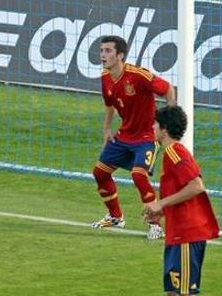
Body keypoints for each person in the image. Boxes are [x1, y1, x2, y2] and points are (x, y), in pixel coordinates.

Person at [91, 35, 175, 240]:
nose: (103, 55)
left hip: (147, 136)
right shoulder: (105, 78)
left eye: (108, 51)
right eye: (102, 51)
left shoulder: (138, 76)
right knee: (100, 173)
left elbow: (168, 89)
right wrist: (107, 129)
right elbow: (110, 104)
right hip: (123, 136)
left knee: (138, 175)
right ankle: (115, 217)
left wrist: (169, 123)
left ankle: (155, 225)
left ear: (120, 55)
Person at [143, 105, 218, 296]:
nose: (152, 127)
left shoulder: (175, 152)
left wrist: (160, 203)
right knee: (173, 292)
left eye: (155, 123)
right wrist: (160, 214)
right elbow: (180, 192)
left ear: (165, 129)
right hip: (177, 234)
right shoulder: (170, 154)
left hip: (187, 235)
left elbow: (196, 185)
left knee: (183, 293)